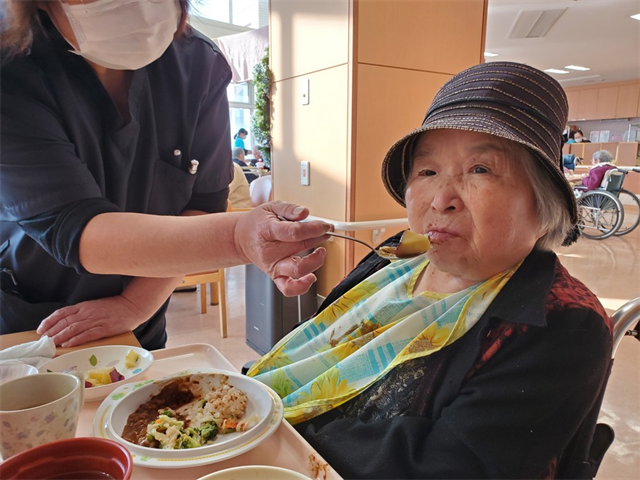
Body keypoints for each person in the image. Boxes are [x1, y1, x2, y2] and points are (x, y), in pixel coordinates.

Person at [248, 62, 612, 479]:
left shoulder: (564, 327)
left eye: (481, 170)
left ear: (544, 206)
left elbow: (444, 468)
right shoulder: (394, 259)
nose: (440, 199)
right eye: (427, 171)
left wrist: (260, 442)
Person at [0, 0, 331, 350]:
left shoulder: (198, 66)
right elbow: (76, 226)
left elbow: (204, 201)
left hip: (141, 320)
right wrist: (237, 238)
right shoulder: (13, 68)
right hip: (33, 322)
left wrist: (135, 305)